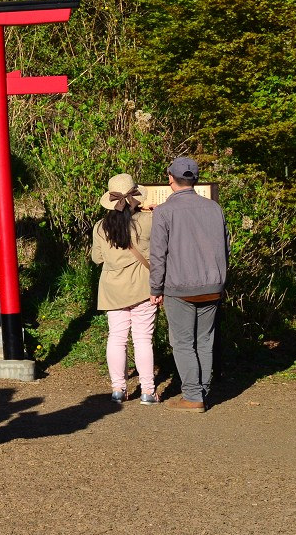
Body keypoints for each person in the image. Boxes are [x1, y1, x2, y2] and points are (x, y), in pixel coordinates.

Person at [149, 157, 229, 413]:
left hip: (179, 287)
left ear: (170, 178)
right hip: (212, 284)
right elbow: (227, 247)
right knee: (205, 340)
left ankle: (193, 396)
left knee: (183, 342)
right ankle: (202, 392)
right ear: (195, 180)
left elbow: (158, 254)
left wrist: (155, 288)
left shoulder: (164, 211)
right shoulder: (214, 208)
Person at [91, 173, 157, 405]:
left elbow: (97, 258)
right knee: (143, 339)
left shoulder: (100, 227)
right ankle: (148, 391)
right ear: (135, 197)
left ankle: (118, 389)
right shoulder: (148, 221)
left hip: (113, 290)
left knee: (117, 338)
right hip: (142, 288)